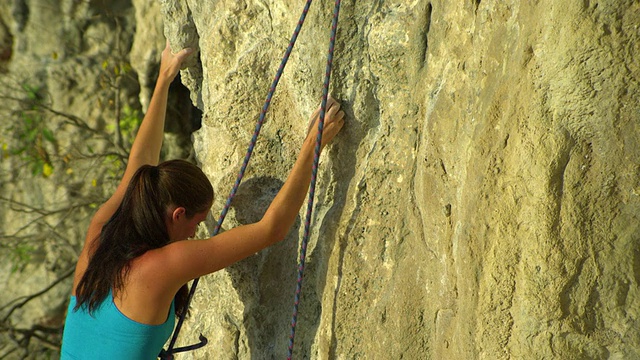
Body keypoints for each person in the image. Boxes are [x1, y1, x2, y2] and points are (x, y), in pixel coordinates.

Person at [60, 41, 345, 359]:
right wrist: (311, 147)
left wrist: (164, 80)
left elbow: (140, 164)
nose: (195, 233)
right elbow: (271, 230)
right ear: (178, 214)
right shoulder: (161, 266)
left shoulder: (101, 234)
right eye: (196, 223)